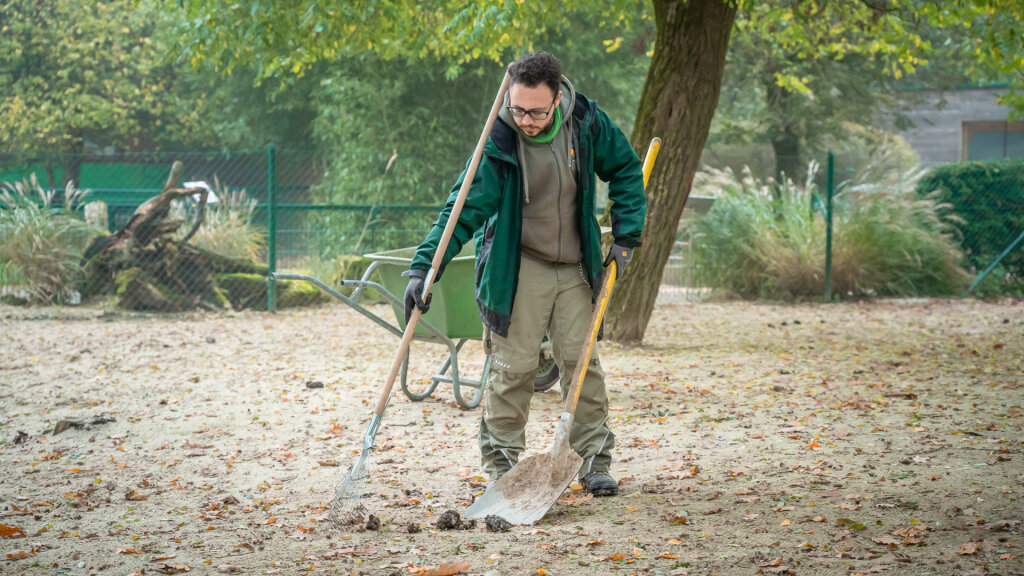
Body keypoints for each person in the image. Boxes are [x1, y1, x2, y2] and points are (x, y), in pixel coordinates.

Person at [403, 51, 645, 497]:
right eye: (517, 109)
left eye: (535, 111)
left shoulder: (587, 122)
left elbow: (627, 170)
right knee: (512, 370)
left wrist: (627, 237)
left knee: (581, 365)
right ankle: (502, 469)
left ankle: (593, 462)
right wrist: (424, 267)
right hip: (520, 266)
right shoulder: (499, 139)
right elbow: (462, 209)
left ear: (557, 100)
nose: (526, 120)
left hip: (575, 265)